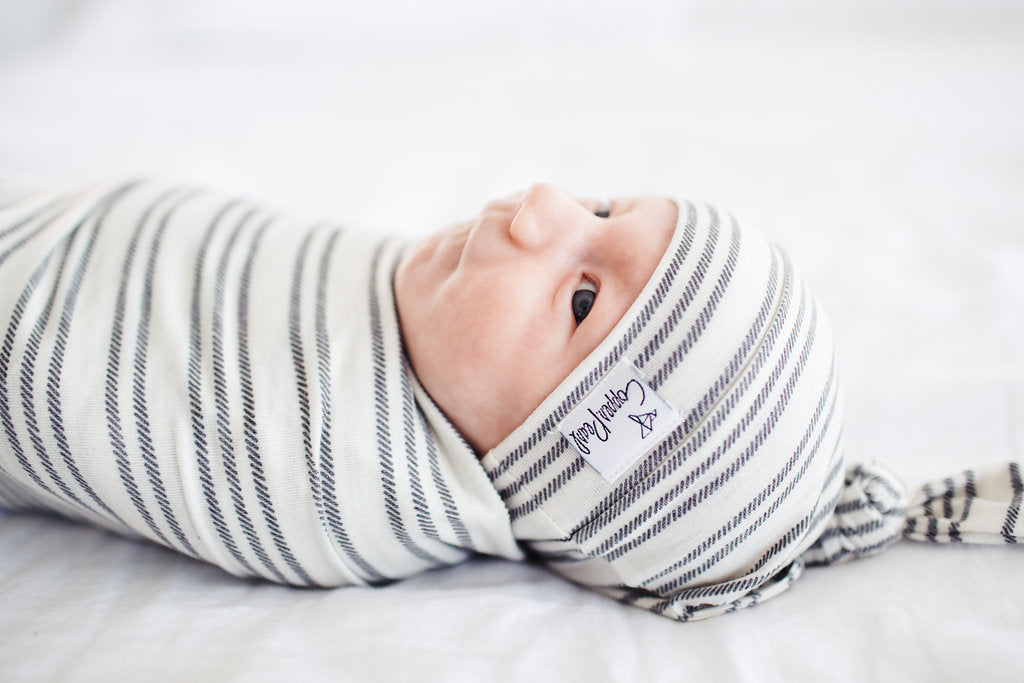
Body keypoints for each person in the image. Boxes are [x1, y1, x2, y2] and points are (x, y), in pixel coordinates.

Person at [0, 179, 1019, 621]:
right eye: (604, 207)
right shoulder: (418, 322)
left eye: (581, 298)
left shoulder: (323, 470)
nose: (540, 204)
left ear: (544, 463)